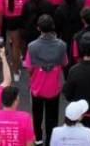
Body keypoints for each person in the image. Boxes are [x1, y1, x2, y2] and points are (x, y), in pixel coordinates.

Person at [26, 14, 67, 145]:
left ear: (38, 28)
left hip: (37, 88)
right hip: (53, 88)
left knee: (37, 116)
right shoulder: (61, 45)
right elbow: (64, 63)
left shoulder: (32, 47)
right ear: (52, 27)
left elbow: (29, 69)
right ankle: (50, 140)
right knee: (52, 118)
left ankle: (38, 139)